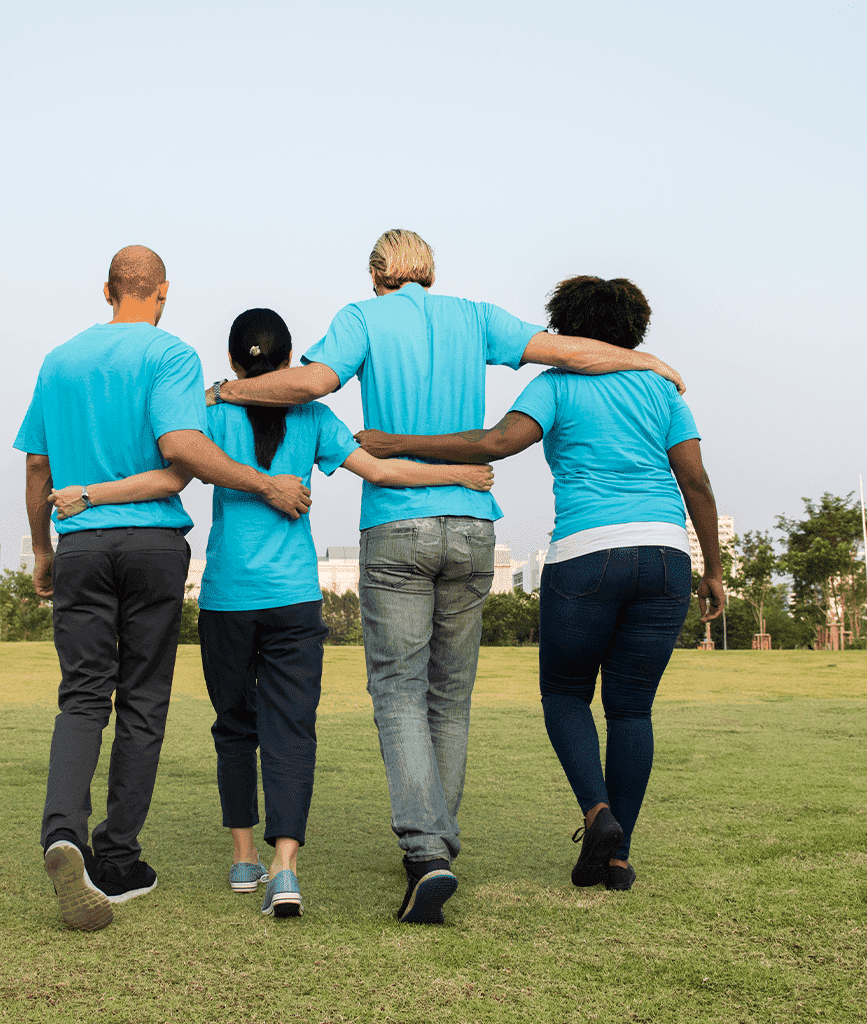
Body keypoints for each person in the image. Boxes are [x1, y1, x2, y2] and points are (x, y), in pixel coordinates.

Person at [200, 231, 688, 923]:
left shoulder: (362, 319)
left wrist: (228, 388)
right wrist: (649, 362)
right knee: (450, 697)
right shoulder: (478, 316)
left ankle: (427, 853)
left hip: (397, 527)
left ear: (377, 273)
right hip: (473, 526)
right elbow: (569, 350)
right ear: (431, 270)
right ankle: (437, 848)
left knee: (398, 691)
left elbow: (311, 384)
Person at [49, 307, 494, 918]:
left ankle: (242, 859)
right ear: (289, 363)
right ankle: (285, 870)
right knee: (292, 730)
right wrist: (461, 476)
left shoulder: (206, 413)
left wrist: (90, 492)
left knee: (234, 728)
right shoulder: (313, 416)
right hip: (294, 600)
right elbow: (383, 471)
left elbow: (168, 471)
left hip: (227, 598)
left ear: (234, 362)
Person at [355, 274, 725, 892]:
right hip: (665, 555)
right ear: (635, 330)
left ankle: (597, 813)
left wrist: (399, 442)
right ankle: (616, 856)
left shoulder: (556, 384)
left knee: (565, 695)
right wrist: (712, 568)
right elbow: (697, 482)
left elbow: (496, 443)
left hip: (587, 554)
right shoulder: (662, 389)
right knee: (632, 709)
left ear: (568, 329)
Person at [14, 247, 311, 932]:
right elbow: (181, 449)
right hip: (152, 546)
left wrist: (41, 549)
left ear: (108, 289)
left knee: (82, 696)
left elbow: (37, 466)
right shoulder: (171, 356)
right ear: (163, 291)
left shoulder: (59, 360)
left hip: (82, 543)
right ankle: (118, 861)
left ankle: (64, 834)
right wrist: (266, 483)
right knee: (143, 701)